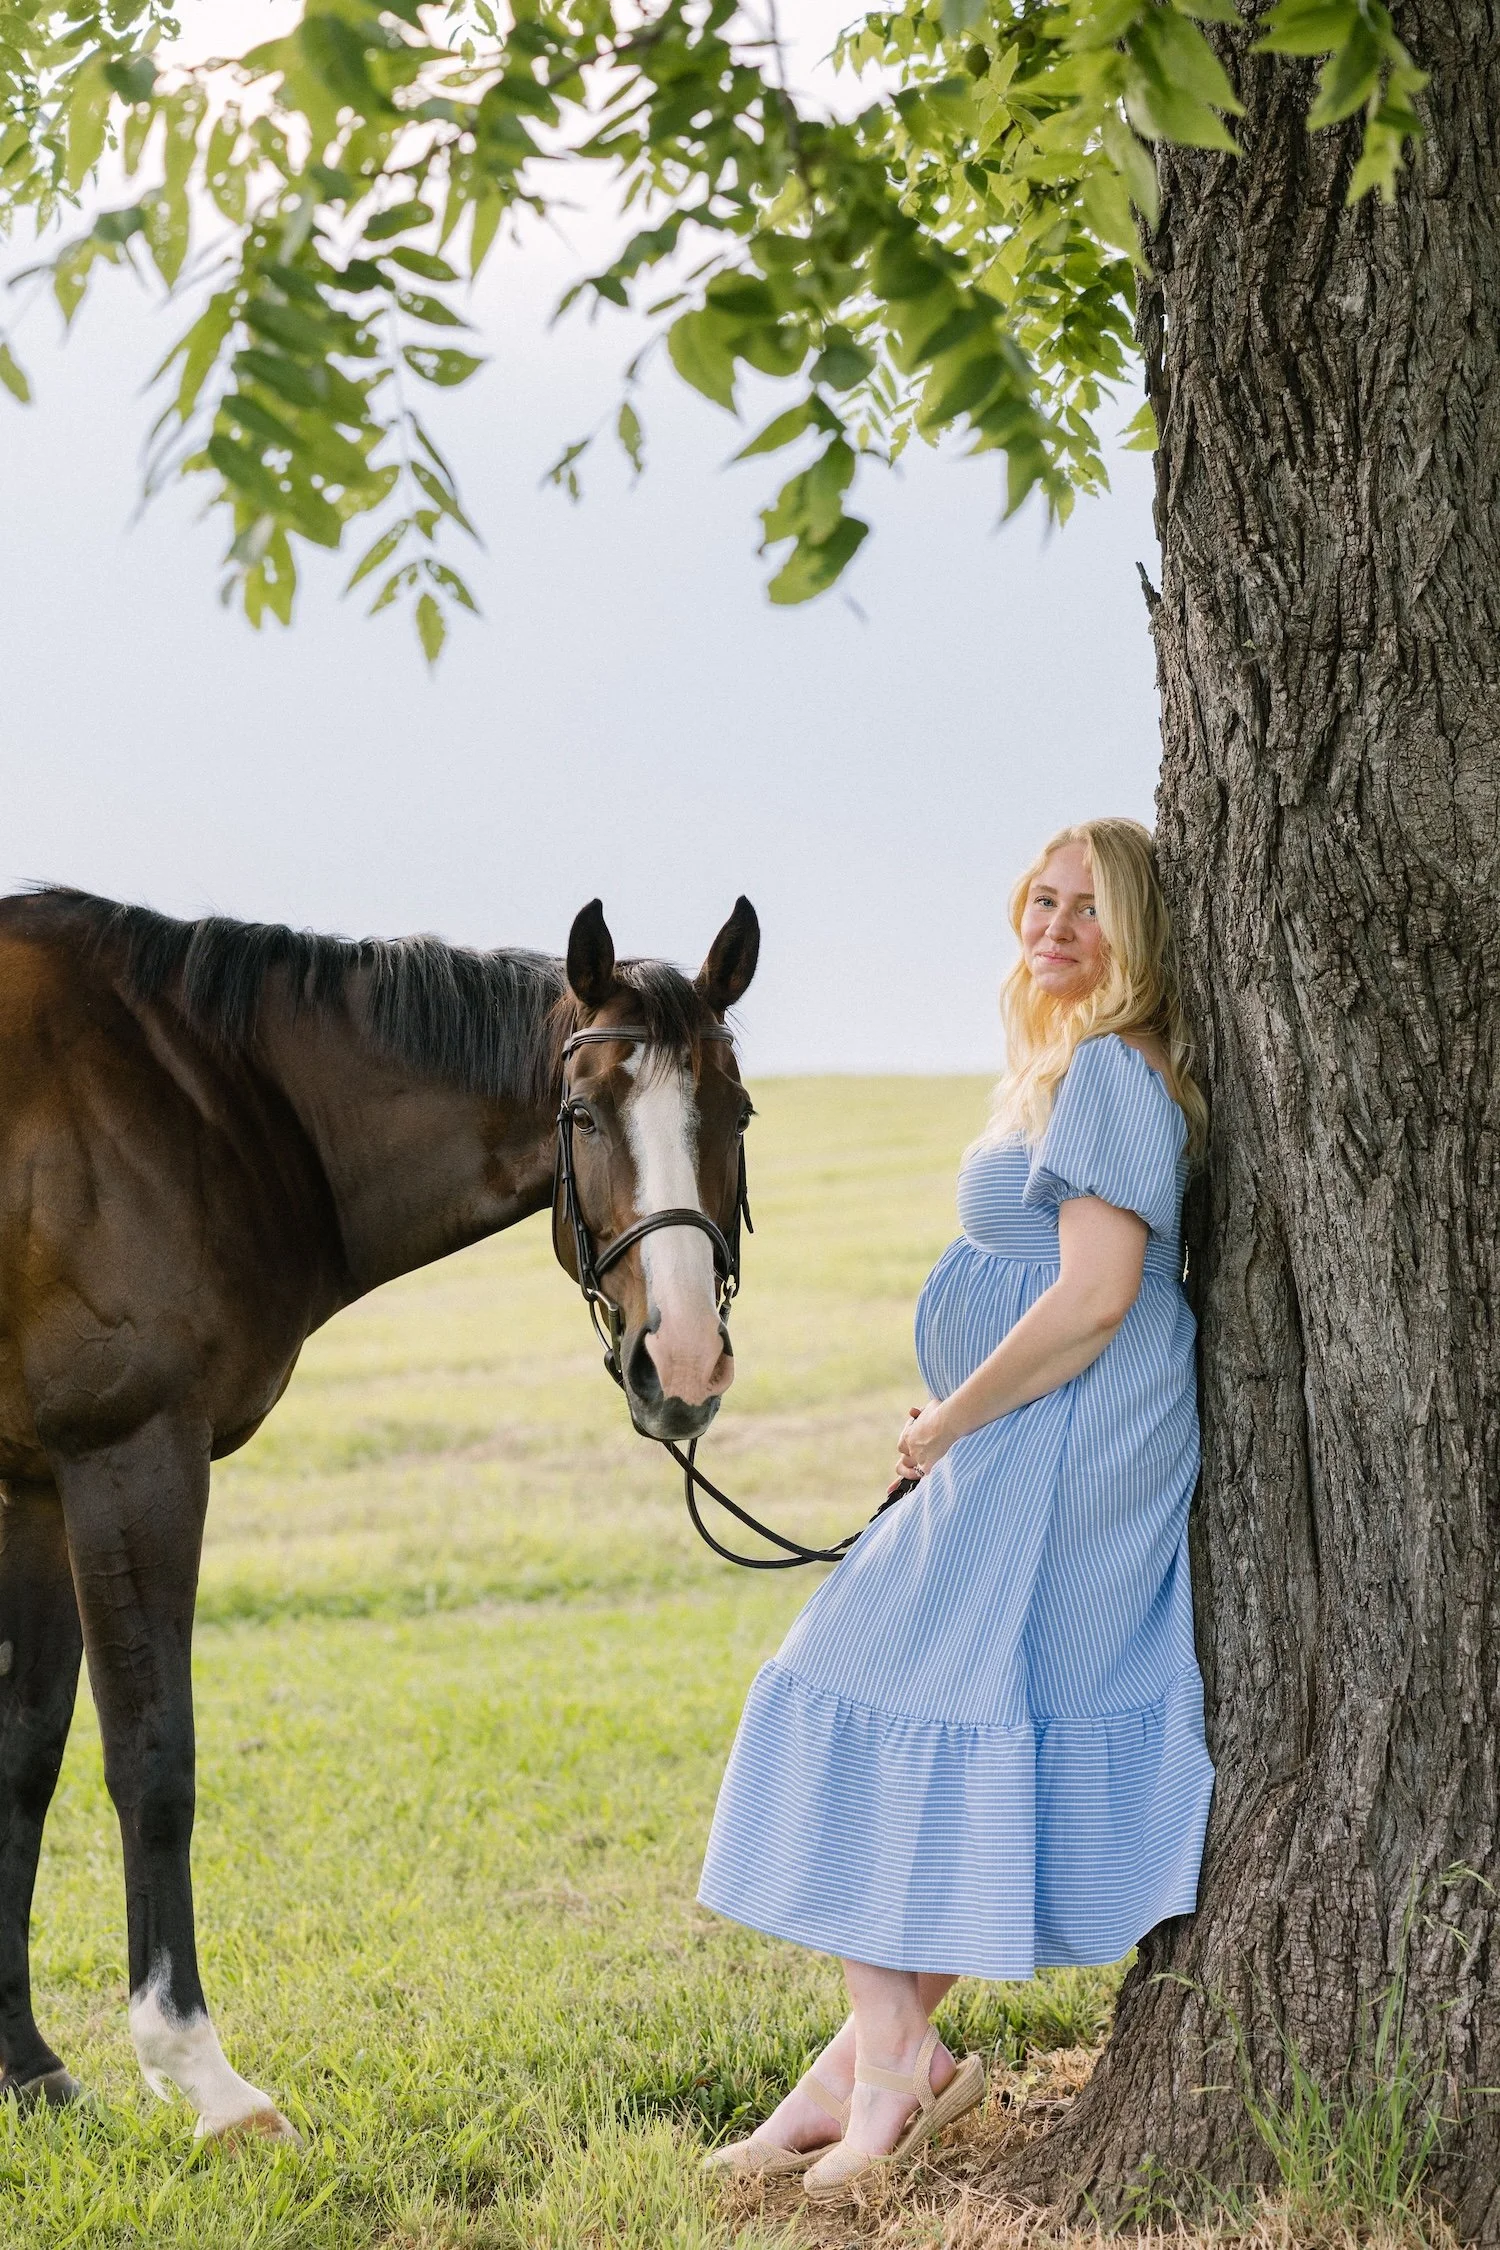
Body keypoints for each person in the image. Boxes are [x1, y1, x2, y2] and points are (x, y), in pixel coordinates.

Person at [698, 818, 1215, 2203]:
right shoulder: (1082, 1059)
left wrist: (945, 1423)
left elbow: (1098, 1294)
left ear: (1141, 938)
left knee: (848, 1685)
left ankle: (884, 2077)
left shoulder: (1110, 1064)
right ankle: (870, 2063)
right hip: (1046, 1437)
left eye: (1088, 910)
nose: (1053, 927)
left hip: (1058, 1443)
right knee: (948, 1713)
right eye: (1040, 900)